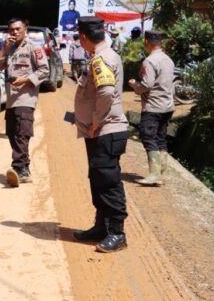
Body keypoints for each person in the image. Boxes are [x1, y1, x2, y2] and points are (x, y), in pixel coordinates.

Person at [72, 16, 129, 253]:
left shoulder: (101, 60)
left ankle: (117, 233)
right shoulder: (103, 56)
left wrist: (96, 122)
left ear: (83, 37)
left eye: (79, 37)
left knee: (108, 182)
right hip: (101, 131)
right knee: (98, 179)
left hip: (105, 131)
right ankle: (101, 227)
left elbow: (105, 94)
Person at [0, 18, 49, 187]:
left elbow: (44, 70)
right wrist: (3, 49)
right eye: (11, 30)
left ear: (25, 30)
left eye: (17, 29)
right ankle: (24, 168)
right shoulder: (8, 49)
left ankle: (18, 168)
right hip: (11, 99)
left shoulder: (34, 47)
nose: (14, 32)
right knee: (11, 133)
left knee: (22, 133)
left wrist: (25, 80)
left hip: (26, 98)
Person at [128, 30, 175, 186]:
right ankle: (163, 173)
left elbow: (147, 85)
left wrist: (135, 85)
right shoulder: (168, 60)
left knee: (148, 137)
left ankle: (155, 174)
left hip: (153, 106)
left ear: (147, 42)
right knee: (160, 138)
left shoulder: (149, 61)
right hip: (167, 106)